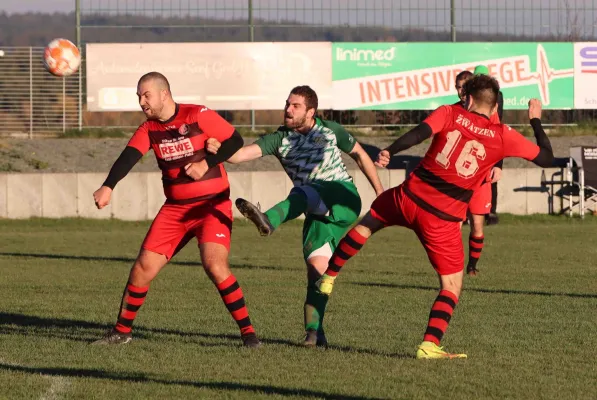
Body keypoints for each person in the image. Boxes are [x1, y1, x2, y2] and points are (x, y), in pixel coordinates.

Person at [315, 74, 553, 359]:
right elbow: (547, 159)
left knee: (369, 221)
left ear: (468, 98)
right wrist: (535, 120)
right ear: (494, 106)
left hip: (408, 197)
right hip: (442, 218)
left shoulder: (449, 112)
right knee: (451, 285)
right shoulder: (504, 135)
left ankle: (329, 275)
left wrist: (390, 150)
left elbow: (418, 134)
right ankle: (429, 344)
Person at [91, 71, 260, 348]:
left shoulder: (197, 115)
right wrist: (108, 185)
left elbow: (235, 141)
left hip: (211, 206)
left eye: (146, 95)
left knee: (215, 266)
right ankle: (121, 332)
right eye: (138, 97)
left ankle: (249, 335)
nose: (141, 102)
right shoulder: (149, 129)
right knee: (143, 268)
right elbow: (128, 157)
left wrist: (206, 163)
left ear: (164, 94)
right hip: (175, 211)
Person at [206, 85, 384, 347]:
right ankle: (315, 334)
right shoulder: (279, 139)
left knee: (301, 191)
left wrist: (380, 194)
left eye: (295, 106)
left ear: (311, 111)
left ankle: (269, 219)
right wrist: (216, 146)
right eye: (287, 104)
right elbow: (239, 156)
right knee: (316, 274)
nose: (288, 109)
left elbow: (358, 153)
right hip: (316, 211)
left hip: (343, 197)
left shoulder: (330, 129)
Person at [455, 66, 504, 275]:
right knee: (454, 225)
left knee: (477, 225)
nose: (461, 91)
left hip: (480, 176)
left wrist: (498, 167)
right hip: (456, 178)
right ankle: (453, 265)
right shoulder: (453, 111)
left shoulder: (488, 113)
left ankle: (472, 266)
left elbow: (499, 139)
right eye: (458, 87)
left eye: (464, 87)